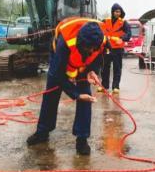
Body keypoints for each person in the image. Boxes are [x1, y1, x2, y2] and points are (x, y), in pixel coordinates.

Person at [26, 17, 106, 155]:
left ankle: (82, 139)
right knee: (52, 92)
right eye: (88, 47)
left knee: (86, 97)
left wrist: (93, 71)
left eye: (93, 48)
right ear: (81, 42)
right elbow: (58, 76)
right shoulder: (65, 42)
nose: (91, 50)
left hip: (83, 65)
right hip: (60, 58)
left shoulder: (101, 40)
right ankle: (42, 132)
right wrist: (76, 95)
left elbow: (98, 57)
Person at [98, 3, 131, 93]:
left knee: (117, 68)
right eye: (116, 11)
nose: (118, 13)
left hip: (118, 49)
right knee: (105, 68)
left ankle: (116, 87)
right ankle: (104, 86)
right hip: (107, 48)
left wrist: (122, 39)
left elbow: (128, 33)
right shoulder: (105, 21)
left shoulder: (123, 23)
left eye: (119, 12)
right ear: (112, 12)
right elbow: (98, 29)